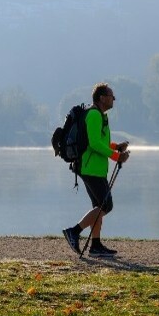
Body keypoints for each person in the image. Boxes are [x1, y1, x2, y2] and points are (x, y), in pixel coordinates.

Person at [62, 82, 129, 257]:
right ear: (101, 98)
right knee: (106, 205)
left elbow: (101, 142)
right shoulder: (94, 115)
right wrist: (116, 156)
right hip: (90, 168)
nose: (113, 99)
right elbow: (94, 143)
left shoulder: (100, 115)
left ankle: (96, 246)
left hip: (95, 168)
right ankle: (74, 232)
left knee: (98, 206)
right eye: (111, 95)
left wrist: (116, 147)